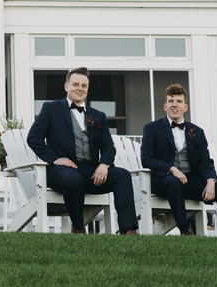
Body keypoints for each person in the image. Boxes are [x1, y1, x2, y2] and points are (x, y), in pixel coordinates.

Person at [26, 66, 138, 234]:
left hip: (91, 170)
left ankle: (128, 230)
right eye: (75, 84)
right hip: (61, 171)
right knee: (74, 180)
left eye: (84, 85)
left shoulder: (97, 115)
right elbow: (33, 138)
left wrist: (104, 165)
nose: (80, 88)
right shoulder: (51, 109)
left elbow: (108, 146)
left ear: (87, 88)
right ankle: (78, 227)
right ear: (66, 87)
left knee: (122, 176)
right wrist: (56, 159)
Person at [141, 83, 217, 236]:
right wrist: (172, 169)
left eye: (179, 101)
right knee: (173, 182)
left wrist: (210, 181)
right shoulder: (152, 128)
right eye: (170, 101)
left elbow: (205, 161)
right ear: (165, 106)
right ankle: (185, 231)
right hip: (164, 181)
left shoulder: (197, 132)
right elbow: (147, 159)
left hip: (191, 182)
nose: (174, 105)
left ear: (185, 107)